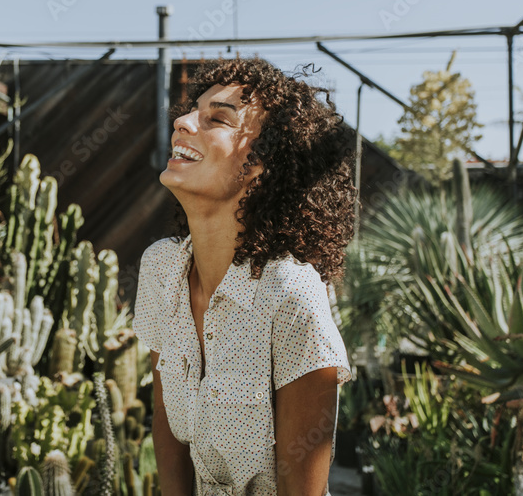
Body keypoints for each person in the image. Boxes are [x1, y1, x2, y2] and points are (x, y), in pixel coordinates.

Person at [133, 57, 356, 496]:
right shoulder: (161, 269)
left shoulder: (291, 295)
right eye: (189, 110)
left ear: (257, 166)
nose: (181, 122)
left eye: (216, 118)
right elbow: (167, 427)